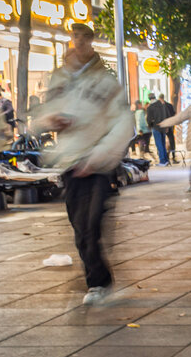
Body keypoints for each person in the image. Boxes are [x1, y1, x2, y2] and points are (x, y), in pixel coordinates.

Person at [34, 23, 131, 306]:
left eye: (83, 38)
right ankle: (100, 278)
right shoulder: (59, 79)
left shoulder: (106, 82)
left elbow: (122, 123)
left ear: (91, 42)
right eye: (74, 37)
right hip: (70, 161)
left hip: (99, 165)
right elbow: (42, 113)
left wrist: (99, 156)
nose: (78, 42)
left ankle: (97, 282)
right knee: (80, 228)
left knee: (92, 225)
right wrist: (50, 120)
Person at [145, 94, 174, 165]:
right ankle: (166, 160)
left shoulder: (150, 107)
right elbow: (168, 115)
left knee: (159, 144)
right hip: (163, 126)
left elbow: (149, 119)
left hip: (156, 127)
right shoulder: (162, 105)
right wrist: (167, 126)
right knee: (163, 144)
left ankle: (162, 161)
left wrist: (150, 125)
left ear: (149, 99)